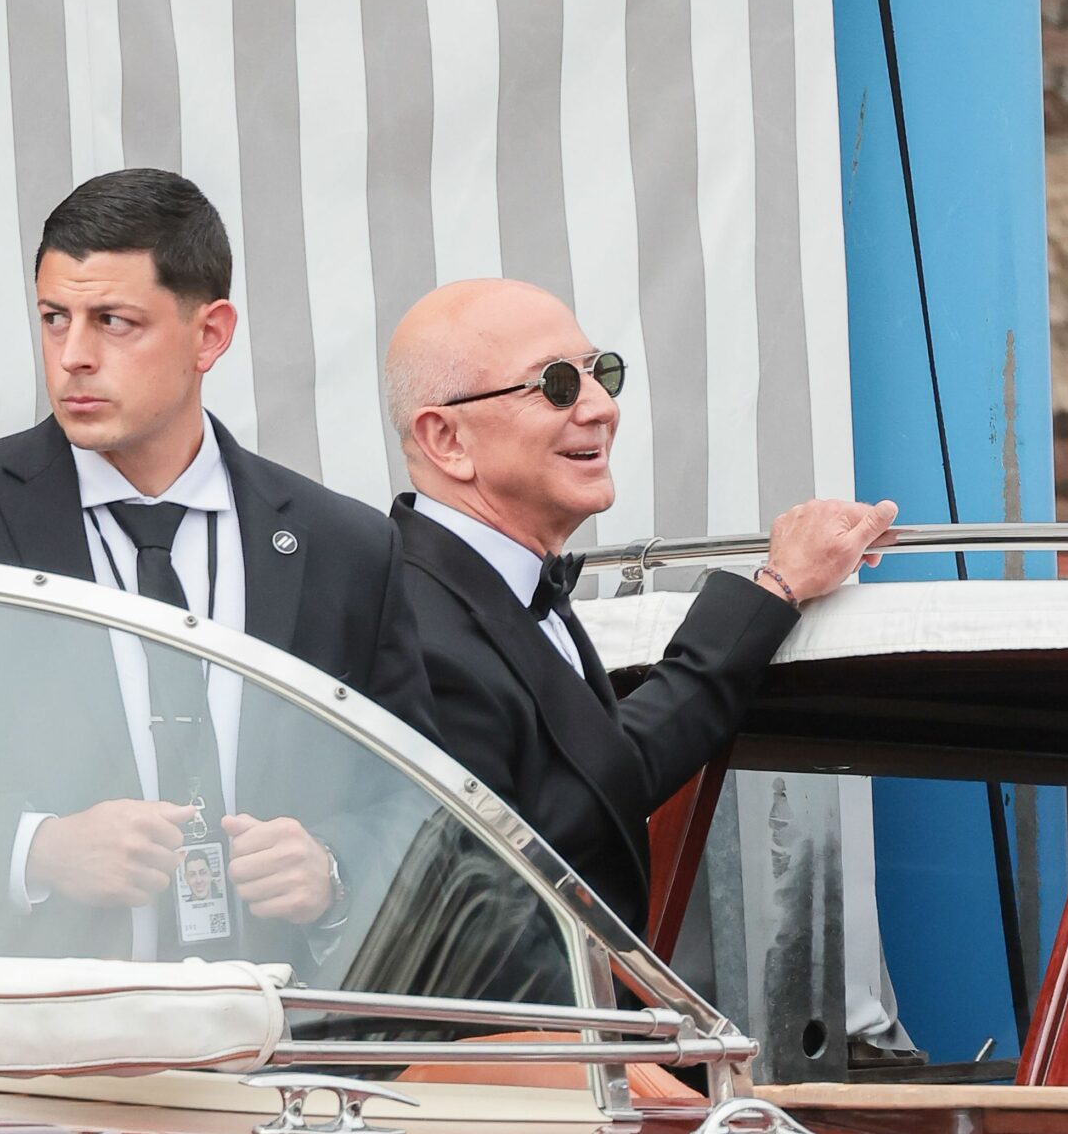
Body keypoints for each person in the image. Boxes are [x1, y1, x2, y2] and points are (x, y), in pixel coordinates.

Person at [0, 167, 435, 958]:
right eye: (54, 319)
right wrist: (35, 850)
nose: (73, 356)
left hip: (275, 1021)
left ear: (210, 334)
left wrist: (335, 867)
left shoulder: (345, 547)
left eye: (114, 322)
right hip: (36, 1022)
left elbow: (418, 799)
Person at [384, 277, 895, 935]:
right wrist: (776, 587)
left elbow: (606, 766)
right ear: (446, 440)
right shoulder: (409, 621)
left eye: (602, 373)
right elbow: (540, 846)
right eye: (557, 384)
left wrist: (778, 588)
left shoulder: (503, 584)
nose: (602, 407)